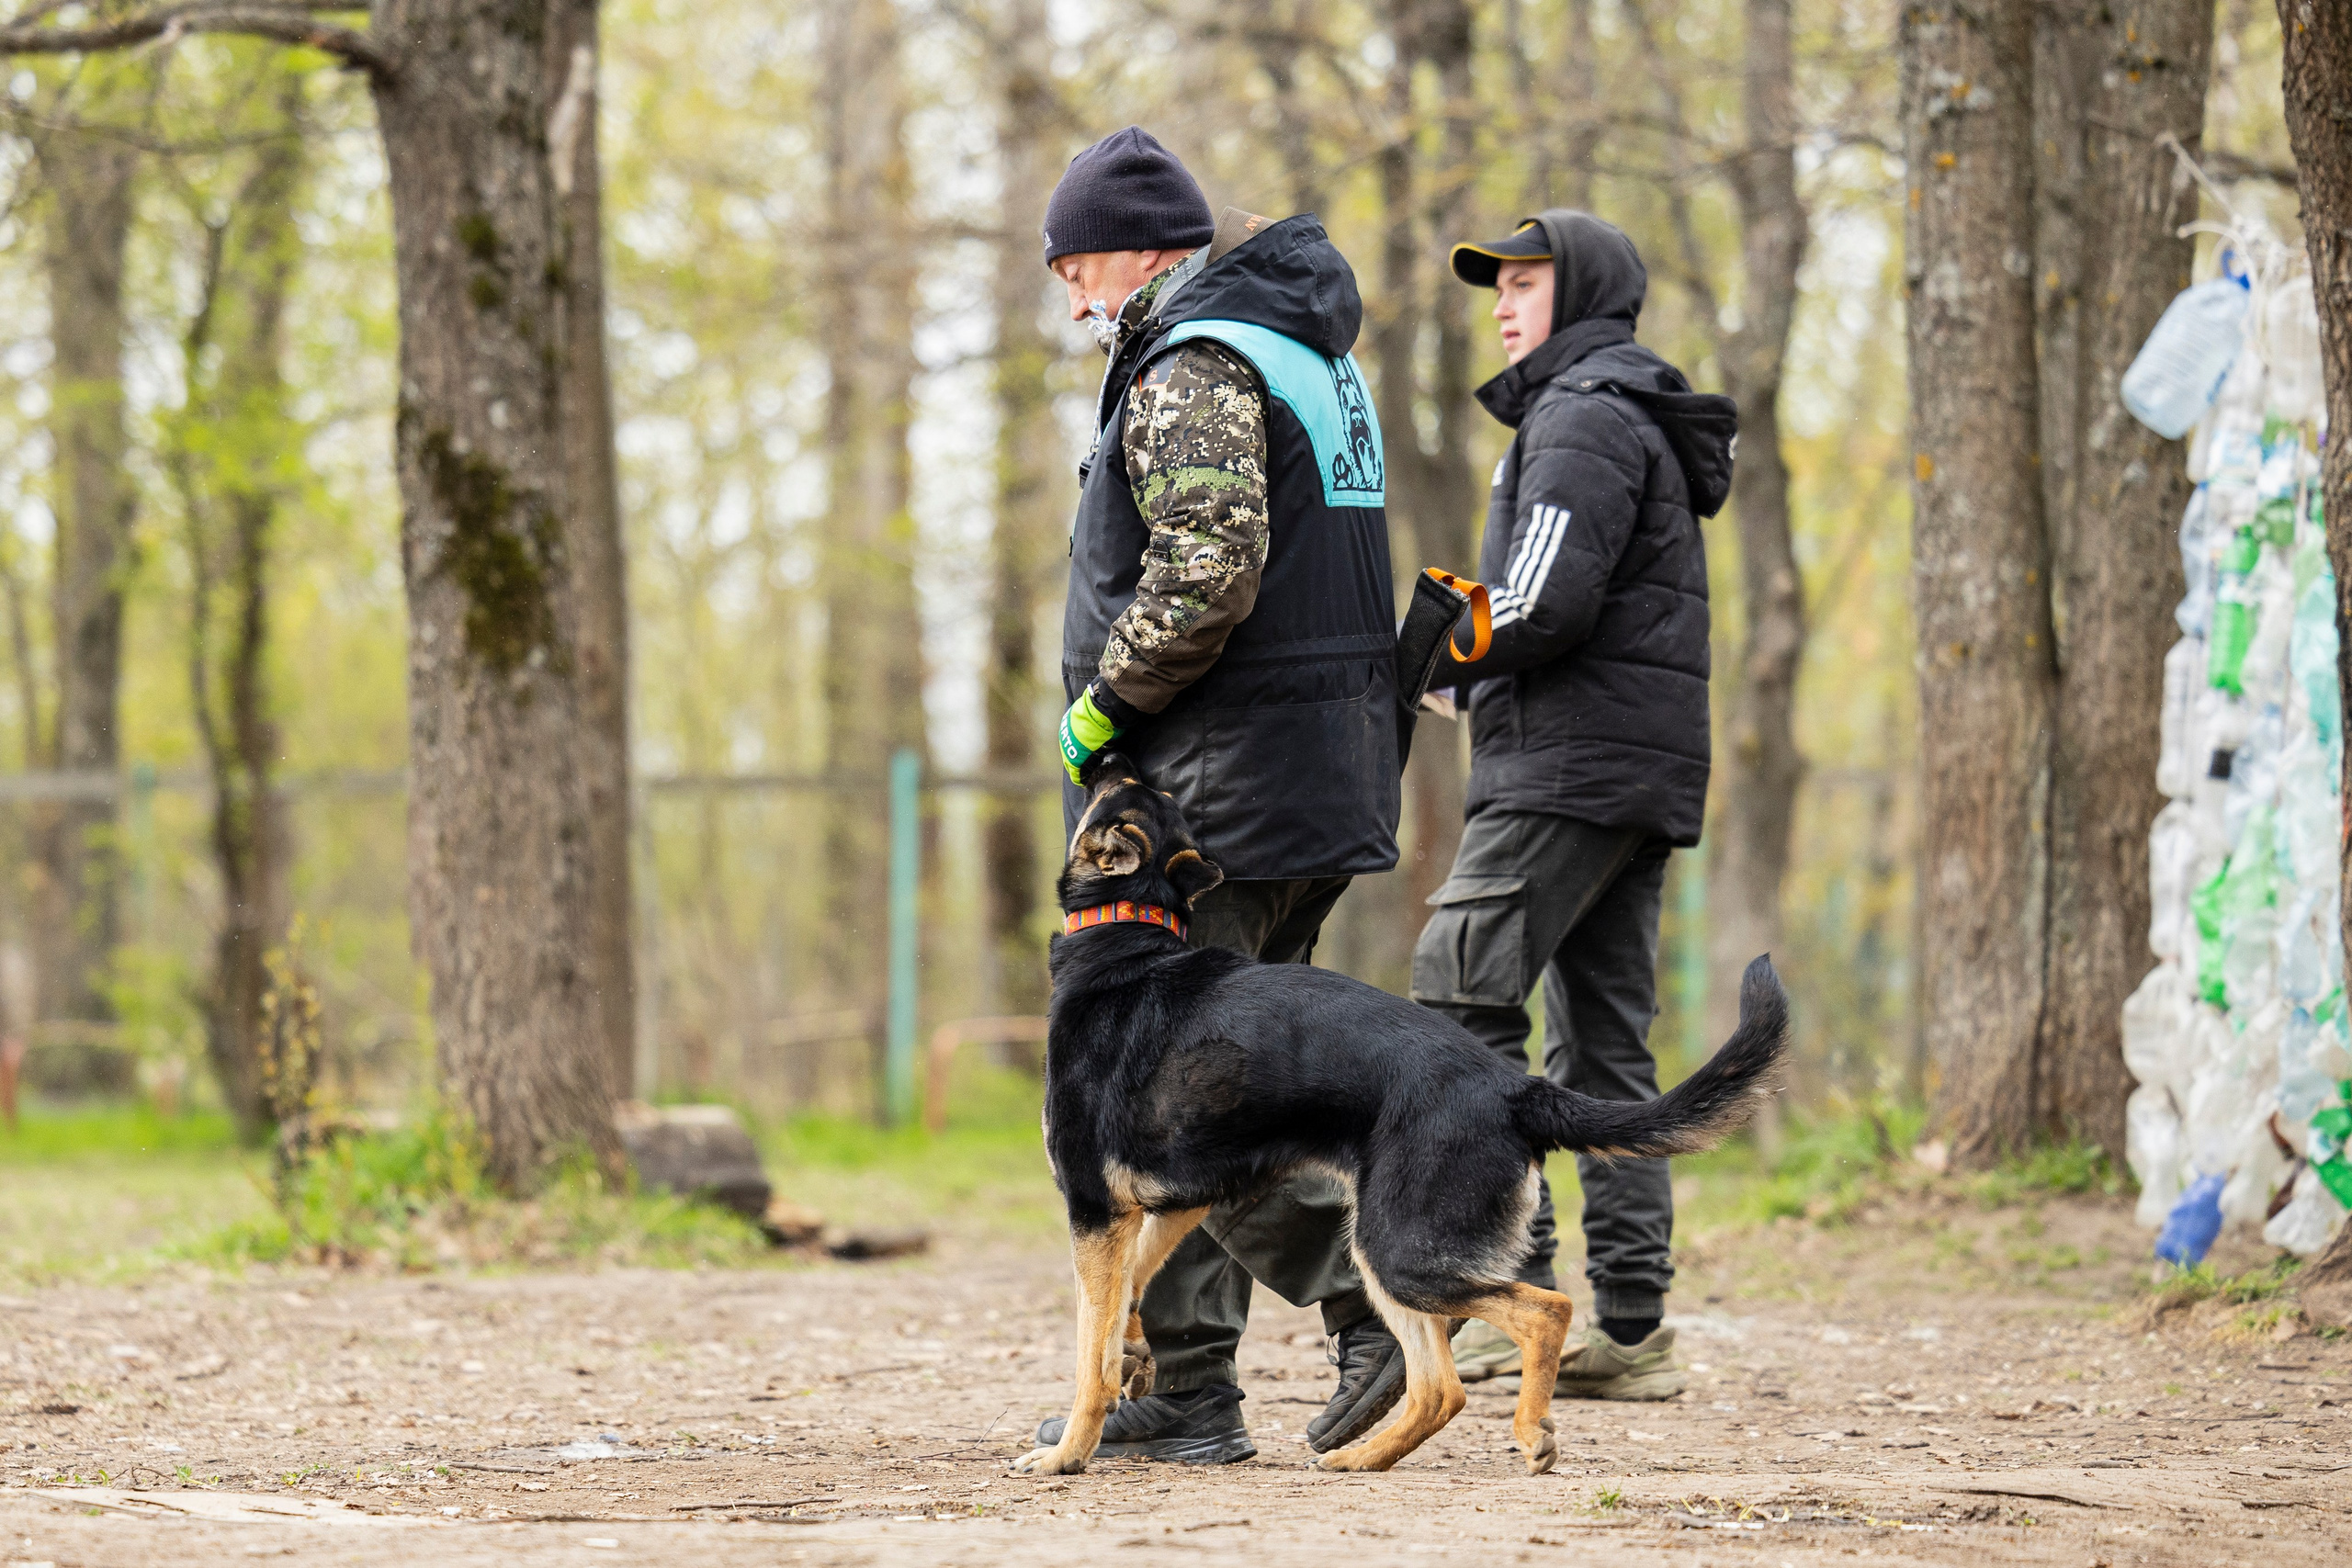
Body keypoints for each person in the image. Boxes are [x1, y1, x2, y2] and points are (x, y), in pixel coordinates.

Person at [1035, 127, 1408, 1463]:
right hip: (1312, 776)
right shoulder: (1308, 353)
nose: (1077, 299)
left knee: (1177, 1102)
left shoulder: (1199, 357)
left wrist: (1107, 706)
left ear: (1142, 250)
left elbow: (1209, 568)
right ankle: (1187, 1386)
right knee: (1217, 1083)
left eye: (1080, 267)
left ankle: (1370, 1306)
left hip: (1218, 794)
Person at [1413, 211, 1736, 1400]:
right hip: (1626, 767)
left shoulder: (1584, 414)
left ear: (1585, 289)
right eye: (1496, 283)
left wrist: (1441, 661)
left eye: (1529, 281)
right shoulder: (1608, 409)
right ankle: (1637, 1333)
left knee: (1457, 995)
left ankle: (1506, 1298)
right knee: (1604, 1049)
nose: (1504, 300)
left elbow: (1543, 597)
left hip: (1570, 768)